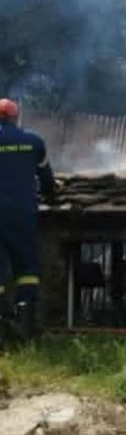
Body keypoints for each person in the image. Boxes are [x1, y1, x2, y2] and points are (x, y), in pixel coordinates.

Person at [0, 98, 55, 342]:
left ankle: (3, 324)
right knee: (27, 269)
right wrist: (51, 196)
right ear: (15, 118)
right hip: (23, 213)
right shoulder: (34, 142)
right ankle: (25, 322)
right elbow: (47, 181)